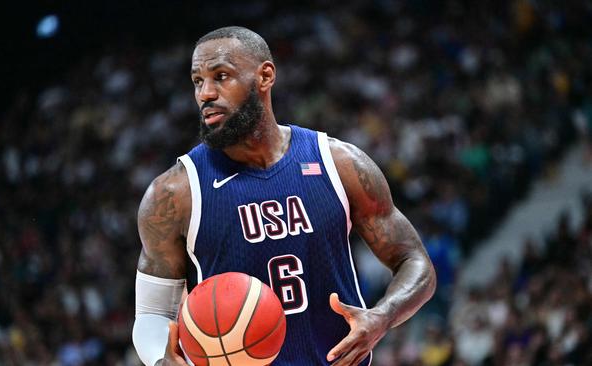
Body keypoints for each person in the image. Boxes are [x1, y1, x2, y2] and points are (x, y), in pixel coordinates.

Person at [132, 26, 436, 366]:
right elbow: (152, 312)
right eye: (197, 81)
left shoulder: (338, 163)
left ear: (265, 76)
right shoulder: (174, 193)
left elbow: (416, 262)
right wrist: (162, 361)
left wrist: (382, 317)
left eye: (221, 76)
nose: (205, 93)